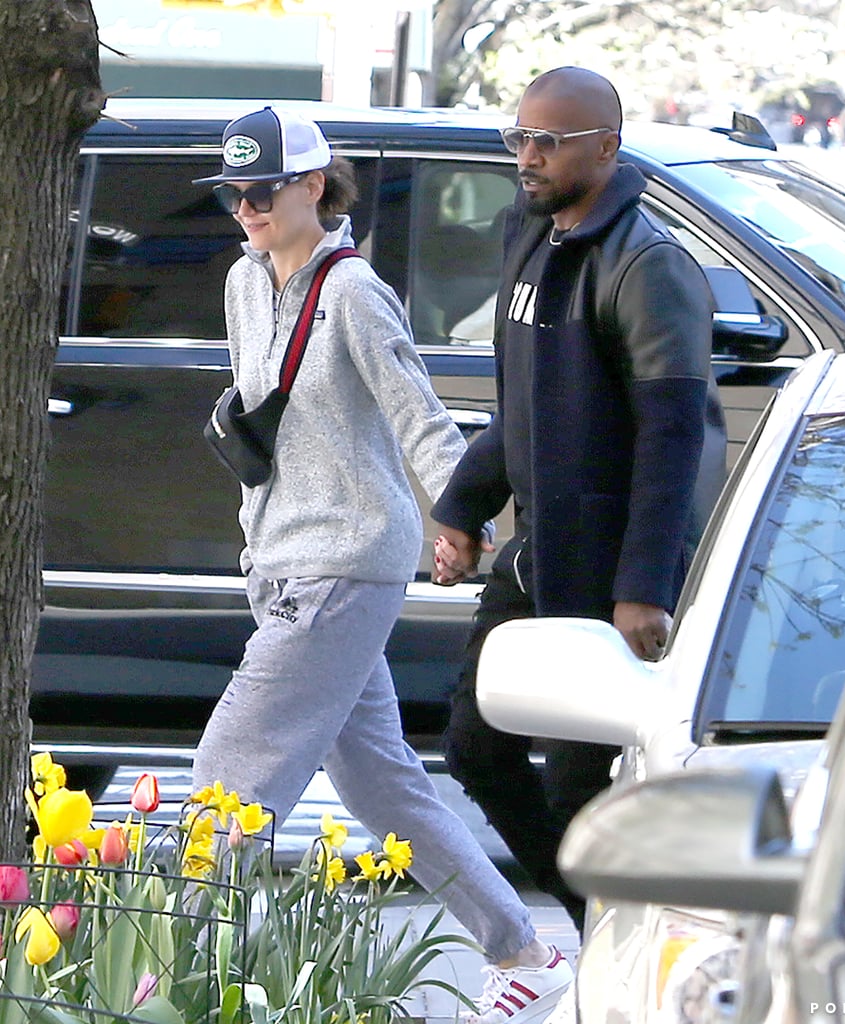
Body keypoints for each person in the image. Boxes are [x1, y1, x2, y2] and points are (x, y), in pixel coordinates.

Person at [190, 106, 573, 1024]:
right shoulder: (244, 282)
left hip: (345, 564)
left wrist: (462, 519)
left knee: (225, 782)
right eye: (232, 193)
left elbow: (418, 417)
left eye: (262, 190)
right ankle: (524, 951)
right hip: (278, 561)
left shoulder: (355, 291)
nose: (245, 208)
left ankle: (184, 980)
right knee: (382, 784)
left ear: (312, 187)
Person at [431, 68, 728, 934]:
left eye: (548, 141)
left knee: (575, 781)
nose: (527, 156)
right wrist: (461, 507)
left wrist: (643, 585)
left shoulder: (646, 262)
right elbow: (521, 410)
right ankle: (600, 925)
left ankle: (625, 944)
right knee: (474, 750)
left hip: (604, 575)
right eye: (517, 137)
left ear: (606, 144)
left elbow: (674, 436)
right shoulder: (526, 236)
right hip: (536, 556)